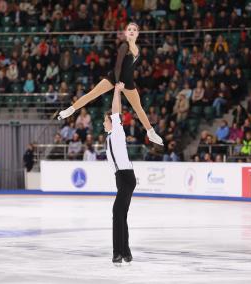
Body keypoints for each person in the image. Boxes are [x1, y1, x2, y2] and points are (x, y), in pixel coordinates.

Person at [58, 22, 163, 146]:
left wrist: (127, 83)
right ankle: (70, 110)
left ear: (137, 33)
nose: (131, 31)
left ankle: (150, 132)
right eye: (129, 29)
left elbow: (130, 69)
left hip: (128, 81)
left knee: (138, 108)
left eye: (134, 29)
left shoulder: (137, 49)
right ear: (125, 33)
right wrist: (118, 82)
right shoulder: (124, 46)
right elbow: (118, 65)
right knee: (93, 93)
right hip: (115, 77)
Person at [104, 84, 136, 264]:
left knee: (117, 212)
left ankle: (118, 252)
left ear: (113, 122)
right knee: (121, 214)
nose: (103, 122)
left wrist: (117, 91)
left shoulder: (117, 131)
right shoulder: (109, 136)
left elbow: (116, 110)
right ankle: (126, 252)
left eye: (105, 120)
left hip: (125, 176)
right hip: (122, 178)